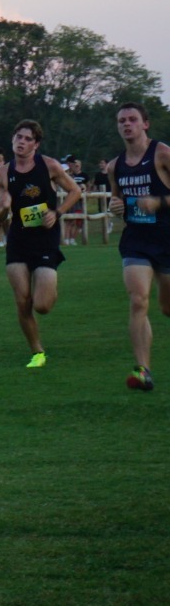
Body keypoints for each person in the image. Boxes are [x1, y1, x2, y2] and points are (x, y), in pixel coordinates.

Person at [0, 119, 80, 369]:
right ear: (12, 139)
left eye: (27, 138)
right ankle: (37, 352)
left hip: (45, 238)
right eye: (18, 137)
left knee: (41, 305)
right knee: (22, 301)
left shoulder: (49, 166)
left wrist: (58, 212)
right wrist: (4, 208)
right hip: (18, 240)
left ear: (36, 144)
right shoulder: (3, 173)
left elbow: (75, 191)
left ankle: (49, 286)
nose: (21, 142)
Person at [107, 103, 170, 391]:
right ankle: (143, 369)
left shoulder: (162, 154)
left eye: (133, 119)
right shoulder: (114, 166)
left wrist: (159, 201)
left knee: (166, 307)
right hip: (136, 241)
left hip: (166, 238)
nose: (127, 124)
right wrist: (115, 206)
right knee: (138, 300)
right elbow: (117, 202)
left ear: (145, 124)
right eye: (122, 121)